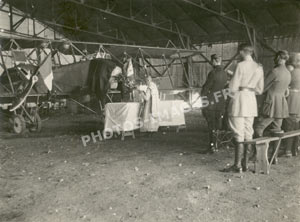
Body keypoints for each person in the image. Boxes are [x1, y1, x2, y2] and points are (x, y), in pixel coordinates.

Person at [222, 44, 264, 173]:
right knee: (248, 131)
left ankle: (237, 165)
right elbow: (260, 89)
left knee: (238, 132)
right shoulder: (259, 67)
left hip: (240, 100)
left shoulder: (240, 65)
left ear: (241, 52)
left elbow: (233, 86)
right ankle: (245, 164)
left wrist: (229, 90)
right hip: (251, 100)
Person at [254, 50, 291, 164]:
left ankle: (258, 156)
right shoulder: (288, 73)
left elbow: (263, 88)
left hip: (271, 103)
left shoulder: (275, 71)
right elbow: (286, 91)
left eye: (275, 57)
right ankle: (274, 157)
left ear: (279, 57)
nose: (273, 59)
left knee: (258, 128)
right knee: (277, 130)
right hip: (281, 104)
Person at [201, 54, 228, 154]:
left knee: (211, 125)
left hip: (211, 102)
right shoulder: (225, 73)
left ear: (214, 61)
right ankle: (216, 145)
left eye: (212, 61)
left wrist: (201, 97)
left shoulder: (212, 73)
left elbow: (206, 87)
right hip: (221, 102)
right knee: (218, 125)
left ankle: (211, 146)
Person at [282, 53, 300, 157]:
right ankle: (295, 149)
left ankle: (288, 150)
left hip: (292, 99)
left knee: (289, 125)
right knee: (297, 125)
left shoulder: (291, 72)